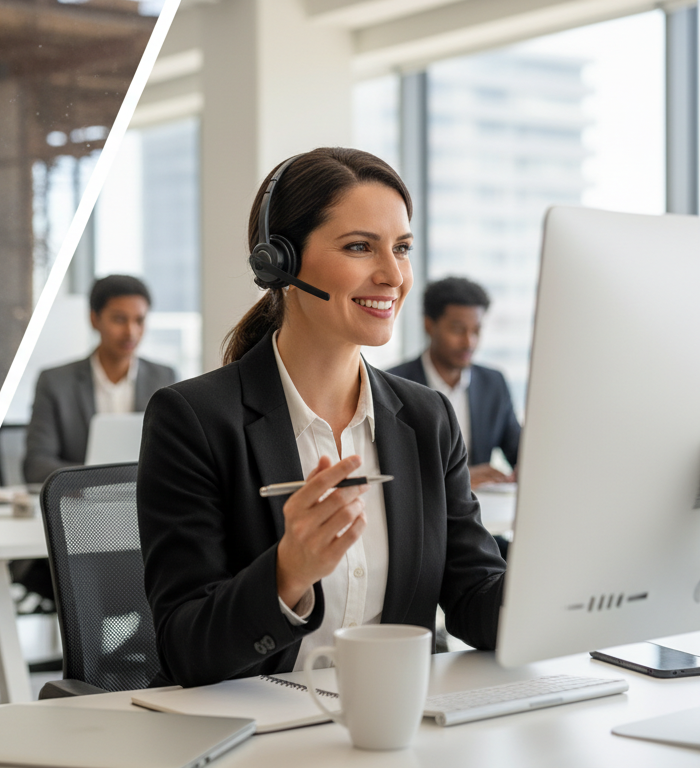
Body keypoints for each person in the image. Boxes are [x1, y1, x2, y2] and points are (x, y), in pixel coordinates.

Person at [137, 148, 506, 688]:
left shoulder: (427, 419)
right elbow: (187, 651)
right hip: (250, 733)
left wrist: (564, 557)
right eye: (360, 247)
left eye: (401, 249)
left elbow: (474, 600)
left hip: (393, 729)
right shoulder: (194, 420)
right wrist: (288, 573)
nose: (392, 275)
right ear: (280, 262)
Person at [23, 274, 178, 484]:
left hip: (146, 504)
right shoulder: (55, 382)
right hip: (78, 502)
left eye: (139, 320)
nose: (130, 332)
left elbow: (179, 459)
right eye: (119, 319)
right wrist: (101, 479)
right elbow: (36, 465)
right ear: (94, 319)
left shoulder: (164, 378)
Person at [387, 278, 520, 487]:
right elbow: (389, 470)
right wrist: (459, 479)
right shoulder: (392, 385)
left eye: (476, 330)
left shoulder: (493, 383)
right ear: (429, 325)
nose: (469, 342)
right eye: (458, 330)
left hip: (483, 508)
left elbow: (518, 451)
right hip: (423, 513)